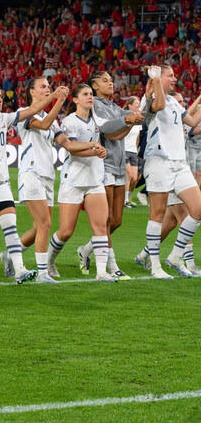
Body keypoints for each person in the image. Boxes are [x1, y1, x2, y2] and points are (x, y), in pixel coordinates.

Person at [0, 80, 65, 283]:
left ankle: (19, 269)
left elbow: (34, 109)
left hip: (0, 181)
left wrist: (52, 97)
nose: (0, 100)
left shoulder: (6, 118)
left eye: (1, 96)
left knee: (11, 225)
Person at [73, 72, 143, 277]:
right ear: (94, 86)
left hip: (119, 166)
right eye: (105, 80)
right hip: (104, 166)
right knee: (106, 219)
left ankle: (86, 249)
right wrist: (127, 118)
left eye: (111, 79)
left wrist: (142, 106)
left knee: (117, 221)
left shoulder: (113, 106)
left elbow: (130, 120)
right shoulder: (95, 104)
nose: (110, 82)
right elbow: (105, 128)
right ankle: (112, 267)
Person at [44, 84, 117, 281]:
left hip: (94, 180)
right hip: (73, 180)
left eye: (91, 94)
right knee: (66, 231)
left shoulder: (97, 119)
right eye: (85, 94)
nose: (90, 97)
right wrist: (95, 149)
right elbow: (73, 148)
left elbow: (114, 131)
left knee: (101, 226)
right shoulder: (69, 121)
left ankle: (101, 273)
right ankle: (49, 262)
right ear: (75, 99)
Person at [137, 66, 201, 277]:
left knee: (198, 209)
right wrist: (154, 79)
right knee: (157, 215)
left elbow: (191, 122)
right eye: (170, 75)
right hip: (159, 161)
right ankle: (155, 267)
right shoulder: (152, 98)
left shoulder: (174, 101)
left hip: (179, 163)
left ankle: (175, 255)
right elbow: (160, 104)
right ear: (159, 77)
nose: (175, 78)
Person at [13, 77, 76, 283]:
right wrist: (58, 100)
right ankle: (42, 273)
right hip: (31, 172)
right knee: (45, 224)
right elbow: (45, 124)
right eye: (43, 87)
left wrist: (90, 147)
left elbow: (64, 142)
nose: (47, 89)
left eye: (49, 87)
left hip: (48, 175)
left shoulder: (52, 118)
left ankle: (9, 256)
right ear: (32, 92)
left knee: (38, 227)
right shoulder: (24, 113)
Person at [123, 96, 142, 208]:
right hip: (124, 149)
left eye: (139, 103)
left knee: (135, 178)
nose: (138, 105)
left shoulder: (138, 120)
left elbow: (137, 138)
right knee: (129, 175)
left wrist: (136, 148)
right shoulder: (125, 117)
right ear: (129, 105)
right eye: (136, 103)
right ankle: (125, 200)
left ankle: (129, 198)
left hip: (133, 151)